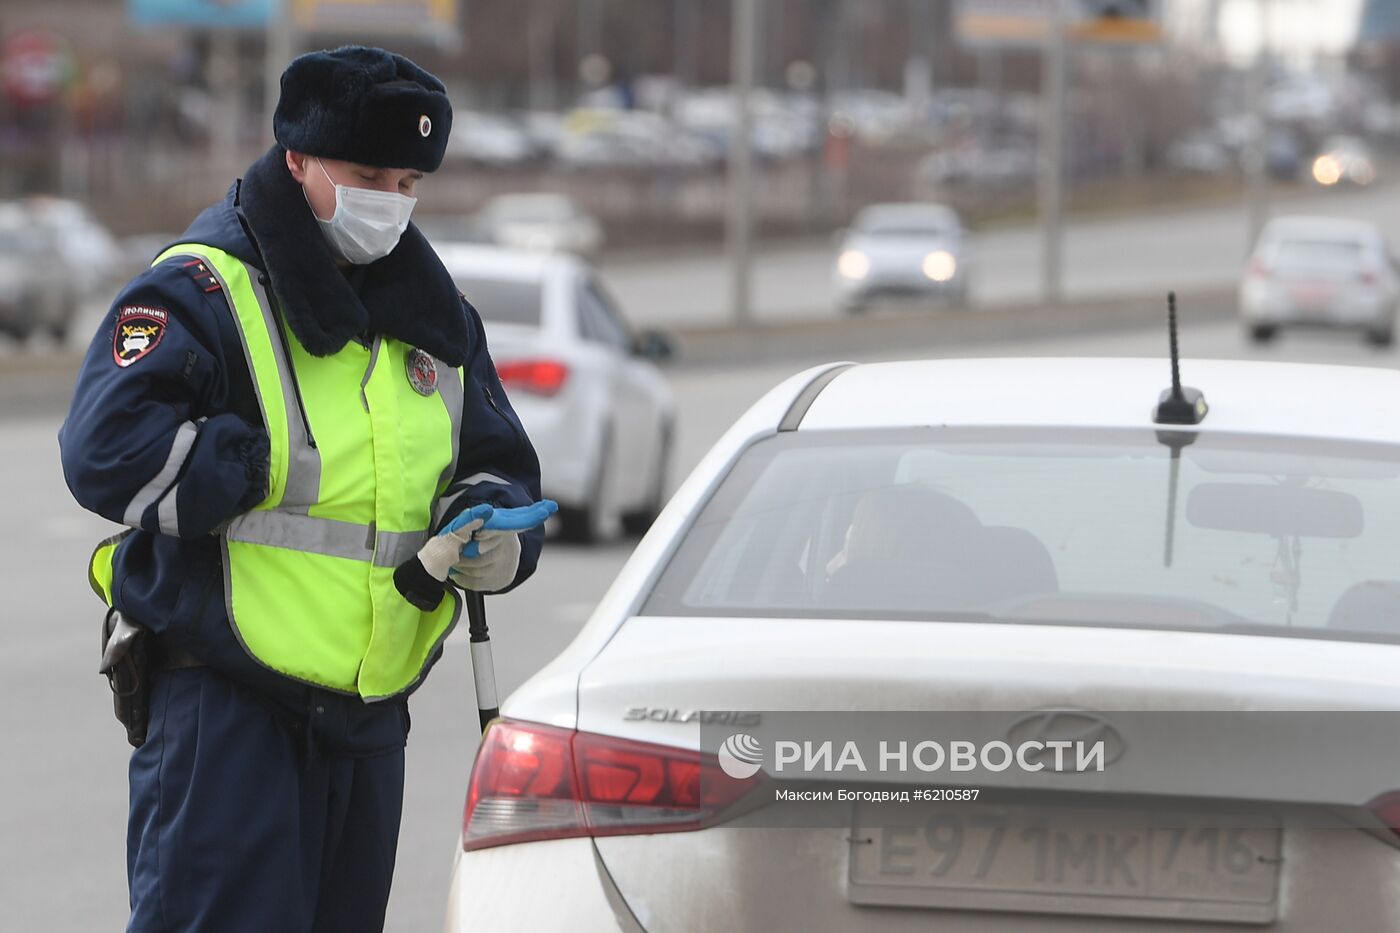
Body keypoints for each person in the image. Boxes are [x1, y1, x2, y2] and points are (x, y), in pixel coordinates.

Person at [58, 46, 546, 932]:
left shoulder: (434, 315)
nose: (389, 202)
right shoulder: (204, 286)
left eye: (407, 182)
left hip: (368, 717)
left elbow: (497, 454)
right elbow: (102, 447)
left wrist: (486, 523)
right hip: (227, 704)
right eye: (367, 175)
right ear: (298, 160)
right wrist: (237, 469)